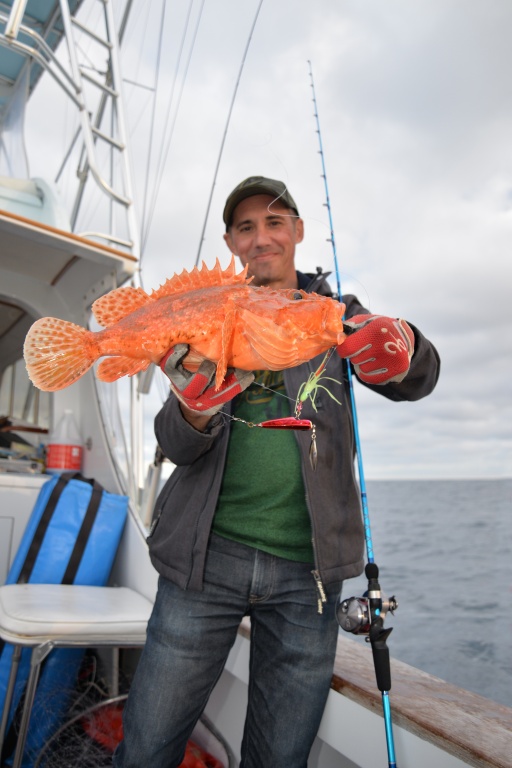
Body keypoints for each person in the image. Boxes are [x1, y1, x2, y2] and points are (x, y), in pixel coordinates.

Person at [113, 176, 440, 768]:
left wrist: (405, 347)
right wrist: (191, 409)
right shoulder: (206, 313)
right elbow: (171, 444)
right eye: (246, 227)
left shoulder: (335, 314)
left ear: (298, 232)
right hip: (201, 560)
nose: (261, 237)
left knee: (280, 758)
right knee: (146, 746)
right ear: (231, 242)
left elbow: (415, 376)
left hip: (308, 578)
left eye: (275, 221)